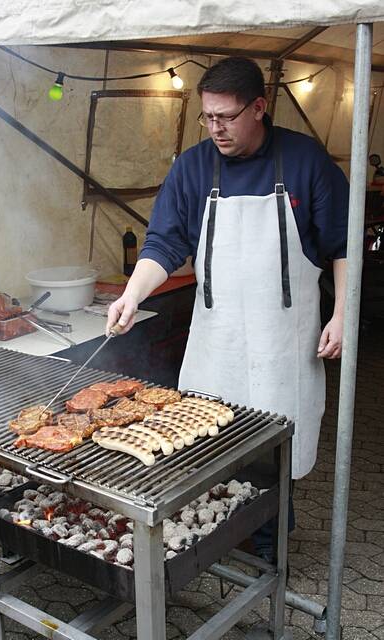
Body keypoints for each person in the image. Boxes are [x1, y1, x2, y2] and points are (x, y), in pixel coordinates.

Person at [107, 56, 349, 560]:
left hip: (283, 342)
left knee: (272, 450)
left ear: (259, 107)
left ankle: (269, 551)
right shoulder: (194, 166)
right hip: (218, 341)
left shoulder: (305, 161)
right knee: (209, 445)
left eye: (227, 117)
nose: (215, 128)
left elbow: (342, 245)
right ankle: (222, 536)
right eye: (208, 117)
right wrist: (132, 294)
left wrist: (342, 312)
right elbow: (164, 244)